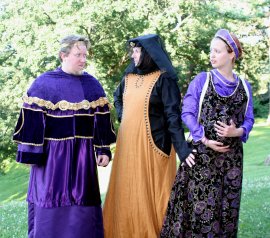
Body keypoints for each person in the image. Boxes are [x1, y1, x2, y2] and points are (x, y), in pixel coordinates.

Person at [13, 34, 116, 238]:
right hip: (52, 159)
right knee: (50, 198)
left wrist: (102, 148)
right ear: (63, 55)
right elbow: (32, 123)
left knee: (83, 202)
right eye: (78, 54)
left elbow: (102, 120)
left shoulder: (92, 85)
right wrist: (30, 155)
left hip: (82, 158)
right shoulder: (44, 83)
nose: (83, 59)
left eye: (85, 55)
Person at [160, 29, 254, 237]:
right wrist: (204, 139)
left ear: (231, 54)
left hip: (232, 162)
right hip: (202, 158)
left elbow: (249, 120)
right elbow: (187, 113)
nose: (211, 55)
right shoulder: (202, 80)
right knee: (202, 213)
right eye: (211, 51)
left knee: (227, 211)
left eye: (217, 51)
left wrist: (236, 131)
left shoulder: (244, 87)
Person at [102, 34, 195, 238]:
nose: (132, 56)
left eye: (136, 51)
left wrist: (182, 149)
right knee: (127, 193)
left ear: (148, 54)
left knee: (156, 197)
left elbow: (173, 116)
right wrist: (125, 116)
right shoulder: (128, 78)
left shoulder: (164, 79)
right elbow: (117, 98)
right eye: (133, 51)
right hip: (127, 147)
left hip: (154, 147)